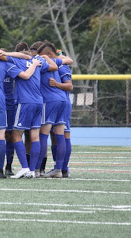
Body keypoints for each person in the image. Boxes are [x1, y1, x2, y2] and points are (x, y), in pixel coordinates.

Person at [0, 42, 56, 178]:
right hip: (39, 102)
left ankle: (25, 168)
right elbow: (54, 66)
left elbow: (4, 58)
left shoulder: (16, 62)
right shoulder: (38, 61)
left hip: (25, 102)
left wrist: (6, 54)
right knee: (35, 136)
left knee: (16, 135)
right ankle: (32, 170)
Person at [37, 41, 73, 178]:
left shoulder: (58, 65)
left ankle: (43, 169)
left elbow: (70, 86)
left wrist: (56, 84)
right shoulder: (58, 62)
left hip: (55, 102)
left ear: (48, 54)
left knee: (49, 134)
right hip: (60, 101)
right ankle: (59, 169)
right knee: (58, 135)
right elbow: (69, 59)